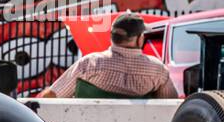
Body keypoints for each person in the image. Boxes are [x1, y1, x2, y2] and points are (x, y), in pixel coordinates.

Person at [38, 13, 177, 98]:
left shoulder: (89, 64)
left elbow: (53, 95)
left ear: (112, 37)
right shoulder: (158, 70)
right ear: (139, 38)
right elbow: (171, 105)